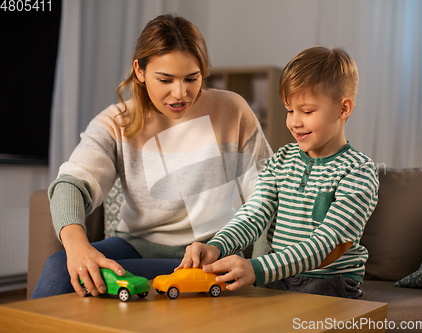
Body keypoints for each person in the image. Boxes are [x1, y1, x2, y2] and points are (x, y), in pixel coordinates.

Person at [32, 14, 272, 299]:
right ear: (140, 71)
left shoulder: (231, 110)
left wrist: (262, 271)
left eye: (191, 78)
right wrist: (77, 248)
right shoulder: (116, 122)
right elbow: (71, 183)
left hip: (210, 251)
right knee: (60, 267)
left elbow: (266, 192)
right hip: (135, 246)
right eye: (166, 79)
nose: (180, 93)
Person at [178, 47, 379, 298]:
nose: (294, 121)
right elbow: (254, 214)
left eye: (307, 111)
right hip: (279, 277)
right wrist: (217, 246)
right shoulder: (281, 161)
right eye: (289, 110)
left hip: (329, 281)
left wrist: (257, 268)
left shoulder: (358, 172)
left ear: (343, 109)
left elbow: (330, 243)